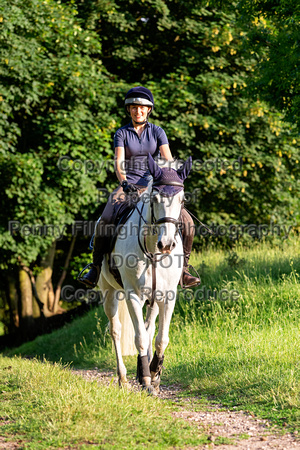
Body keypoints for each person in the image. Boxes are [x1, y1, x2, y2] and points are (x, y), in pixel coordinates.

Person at [79, 86, 200, 289]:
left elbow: (168, 160)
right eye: (134, 108)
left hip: (155, 186)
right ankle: (96, 268)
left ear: (149, 110)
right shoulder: (122, 133)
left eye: (142, 108)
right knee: (107, 217)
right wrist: (124, 183)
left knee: (187, 222)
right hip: (129, 186)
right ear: (129, 110)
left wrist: (170, 180)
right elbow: (119, 162)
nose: (138, 111)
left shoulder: (158, 132)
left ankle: (184, 270)